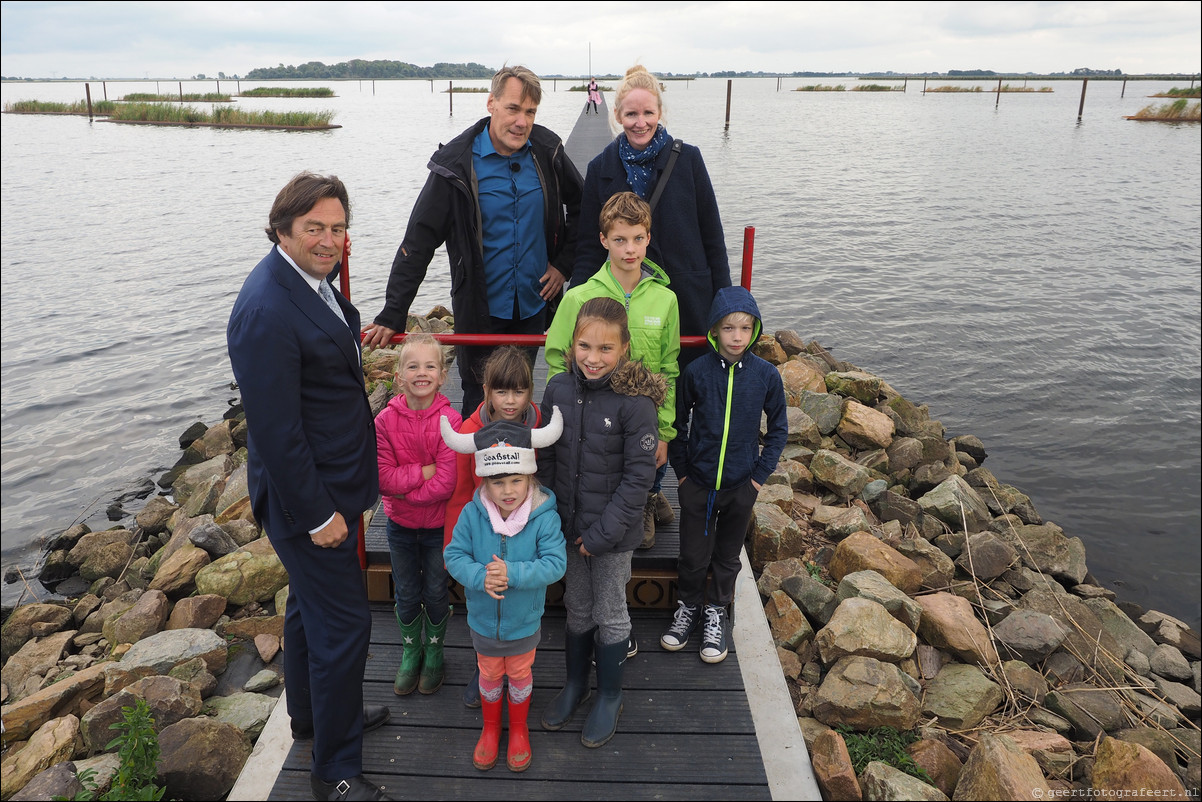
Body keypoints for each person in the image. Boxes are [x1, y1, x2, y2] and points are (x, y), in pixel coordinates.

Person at [227, 171, 392, 802]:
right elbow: (275, 433)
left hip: (332, 485)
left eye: (338, 227)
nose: (329, 240)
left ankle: (314, 721)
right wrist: (320, 514)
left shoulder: (308, 284)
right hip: (308, 502)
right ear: (282, 229)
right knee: (344, 628)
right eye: (314, 228)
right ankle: (336, 771)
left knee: (306, 612)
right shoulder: (266, 308)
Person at [362, 64, 584, 418]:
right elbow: (418, 241)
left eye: (530, 112)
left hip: (532, 305)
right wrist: (393, 311)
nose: (521, 122)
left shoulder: (547, 151)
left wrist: (563, 265)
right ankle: (474, 472)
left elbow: (582, 207)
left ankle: (514, 472)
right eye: (513, 108)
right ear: (491, 103)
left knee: (518, 396)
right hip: (479, 308)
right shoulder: (456, 165)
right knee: (477, 401)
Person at [573, 63, 732, 531]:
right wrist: (584, 306)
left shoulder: (689, 159)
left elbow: (712, 235)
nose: (639, 122)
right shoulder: (601, 167)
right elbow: (587, 242)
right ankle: (637, 495)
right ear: (616, 113)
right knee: (621, 402)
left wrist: (723, 307)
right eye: (630, 113)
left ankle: (655, 487)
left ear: (660, 111)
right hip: (621, 305)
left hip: (682, 299)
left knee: (671, 399)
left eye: (648, 112)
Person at [536, 297, 662, 748]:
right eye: (585, 346)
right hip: (568, 527)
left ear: (624, 348)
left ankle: (610, 694)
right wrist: (548, 515)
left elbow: (637, 479)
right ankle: (576, 684)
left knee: (610, 611)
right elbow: (546, 458)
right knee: (577, 606)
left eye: (606, 349)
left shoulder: (636, 404)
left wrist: (601, 535)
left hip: (612, 533)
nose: (593, 358)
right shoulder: (557, 390)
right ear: (572, 344)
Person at [544, 190, 679, 553]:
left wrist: (664, 431)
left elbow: (669, 367)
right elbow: (558, 357)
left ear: (649, 238)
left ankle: (649, 502)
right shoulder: (578, 298)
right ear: (604, 240)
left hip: (641, 416)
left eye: (638, 239)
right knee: (595, 475)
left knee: (645, 469)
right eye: (619, 240)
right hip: (593, 414)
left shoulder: (666, 300)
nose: (629, 249)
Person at [662, 286, 787, 664]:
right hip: (698, 484)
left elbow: (779, 429)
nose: (737, 336)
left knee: (728, 557)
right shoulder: (696, 372)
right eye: (729, 327)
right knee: (692, 556)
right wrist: (682, 475)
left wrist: (757, 479)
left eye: (745, 328)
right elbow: (678, 424)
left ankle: (716, 611)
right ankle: (688, 608)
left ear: (755, 330)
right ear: (714, 330)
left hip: (740, 486)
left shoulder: (766, 376)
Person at [441, 412, 567, 773]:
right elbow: (453, 555)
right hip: (483, 622)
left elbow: (555, 564)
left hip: (523, 622)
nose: (508, 491)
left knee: (521, 673)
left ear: (530, 477)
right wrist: (481, 577)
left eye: (516, 480)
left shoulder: (544, 517)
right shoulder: (471, 514)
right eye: (499, 484)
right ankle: (492, 727)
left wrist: (512, 574)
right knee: (490, 673)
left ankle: (520, 729)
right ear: (484, 482)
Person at [443, 345, 543, 709]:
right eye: (501, 391)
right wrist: (457, 543)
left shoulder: (538, 424)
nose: (511, 400)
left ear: (530, 391)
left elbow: (543, 481)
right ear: (485, 391)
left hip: (525, 531)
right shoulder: (470, 431)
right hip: (484, 532)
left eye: (519, 391)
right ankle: (484, 666)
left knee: (520, 598)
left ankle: (518, 663)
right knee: (486, 602)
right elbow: (460, 492)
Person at [374, 333, 461, 696]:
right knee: (407, 592)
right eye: (413, 366)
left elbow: (446, 482)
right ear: (399, 375)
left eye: (430, 366)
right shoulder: (384, 421)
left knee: (437, 590)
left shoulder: (451, 420)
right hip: (400, 525)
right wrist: (423, 471)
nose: (421, 373)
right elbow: (382, 478)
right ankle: (412, 649)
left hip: (439, 527)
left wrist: (407, 483)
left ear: (442, 375)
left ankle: (436, 650)